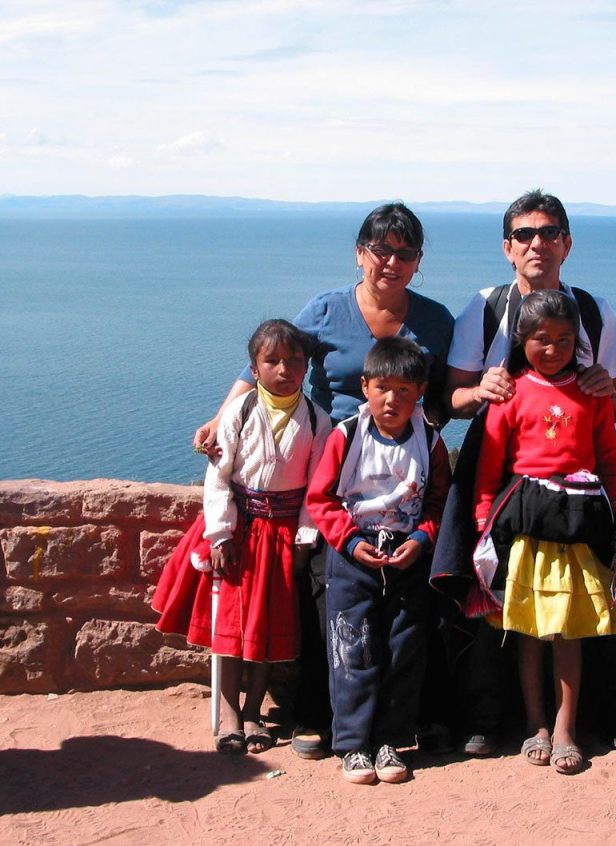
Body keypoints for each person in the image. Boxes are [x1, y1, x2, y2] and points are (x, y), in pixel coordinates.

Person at [192, 203, 454, 759]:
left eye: (404, 253)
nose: (391, 261)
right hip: (329, 472)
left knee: (414, 599)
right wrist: (222, 419)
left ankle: (409, 717)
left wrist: (479, 397)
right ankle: (317, 711)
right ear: (360, 253)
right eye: (380, 250)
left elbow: (446, 394)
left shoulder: (435, 320)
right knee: (321, 591)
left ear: (417, 261)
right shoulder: (326, 309)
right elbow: (264, 364)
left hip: (403, 474)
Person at [433, 189, 616, 756]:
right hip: (497, 464)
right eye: (524, 234)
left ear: (567, 244)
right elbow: (449, 398)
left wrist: (606, 390)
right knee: (483, 585)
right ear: (508, 247)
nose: (537, 244)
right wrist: (480, 390)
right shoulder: (484, 307)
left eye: (548, 233)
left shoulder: (595, 313)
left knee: (612, 587)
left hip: (576, 477)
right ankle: (487, 712)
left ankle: (613, 712)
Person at [468, 290, 616, 775]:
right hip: (526, 530)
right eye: (542, 338)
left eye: (565, 339)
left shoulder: (593, 393)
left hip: (578, 532)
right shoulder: (510, 394)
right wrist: (482, 521)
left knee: (567, 632)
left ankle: (565, 727)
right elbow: (489, 468)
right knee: (529, 633)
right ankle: (535, 724)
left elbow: (609, 459)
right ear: (522, 338)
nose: (554, 348)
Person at [154, 319, 331, 754]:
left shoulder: (316, 420)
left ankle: (254, 710)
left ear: (306, 367)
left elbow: (315, 486)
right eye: (272, 361)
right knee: (230, 627)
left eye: (293, 361)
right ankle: (230, 711)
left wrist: (305, 537)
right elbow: (219, 476)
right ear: (254, 368)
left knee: (267, 628)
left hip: (283, 536)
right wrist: (219, 534)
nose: (284, 369)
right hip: (241, 534)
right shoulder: (238, 412)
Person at [306, 337, 452, 784]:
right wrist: (350, 543)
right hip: (354, 555)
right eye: (384, 388)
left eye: (405, 390)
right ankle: (352, 744)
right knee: (352, 650)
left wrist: (423, 541)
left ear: (421, 392)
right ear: (365, 386)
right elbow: (322, 498)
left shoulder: (430, 441)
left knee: (403, 651)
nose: (393, 399)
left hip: (407, 557)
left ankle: (392, 741)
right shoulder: (346, 436)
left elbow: (438, 501)